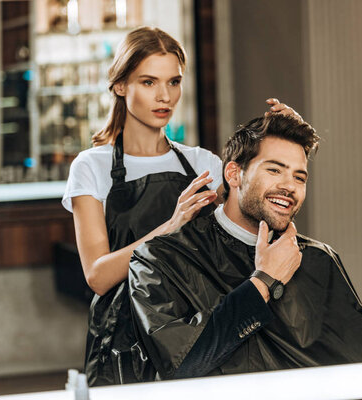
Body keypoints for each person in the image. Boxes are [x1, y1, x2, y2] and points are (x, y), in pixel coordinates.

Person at [61, 26, 301, 386]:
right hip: (126, 342)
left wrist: (282, 137)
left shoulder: (205, 163)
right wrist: (169, 227)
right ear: (120, 85)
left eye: (173, 82)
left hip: (200, 334)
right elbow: (97, 276)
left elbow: (262, 219)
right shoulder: (90, 167)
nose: (164, 96)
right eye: (148, 82)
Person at [128, 113, 362, 380]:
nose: (289, 186)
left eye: (299, 177)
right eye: (274, 170)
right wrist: (263, 282)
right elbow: (181, 366)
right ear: (234, 174)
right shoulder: (159, 259)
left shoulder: (318, 259)